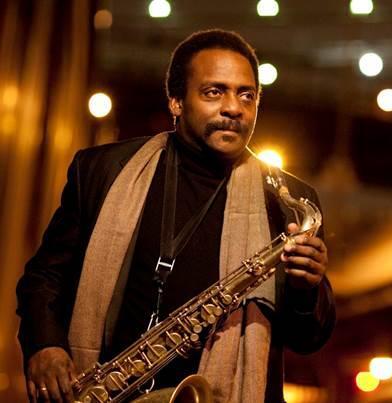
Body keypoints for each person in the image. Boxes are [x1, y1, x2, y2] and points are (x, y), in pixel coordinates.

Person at [16, 29, 335, 403]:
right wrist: (45, 345)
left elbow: (308, 339)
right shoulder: (102, 170)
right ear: (176, 101)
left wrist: (306, 290)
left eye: (246, 95)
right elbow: (45, 277)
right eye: (214, 92)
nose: (234, 108)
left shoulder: (289, 199)